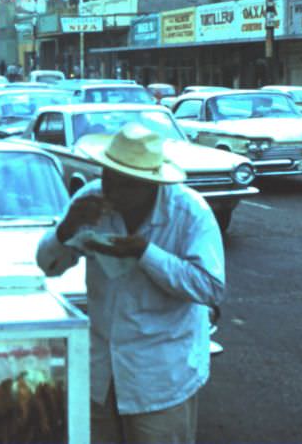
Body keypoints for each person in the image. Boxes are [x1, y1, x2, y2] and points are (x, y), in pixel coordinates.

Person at [36, 123, 225, 444]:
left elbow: (209, 287)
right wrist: (66, 229)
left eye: (122, 184)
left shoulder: (190, 213)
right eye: (107, 176)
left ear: (150, 184)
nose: (109, 190)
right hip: (100, 370)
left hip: (161, 376)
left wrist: (145, 253)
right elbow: (48, 264)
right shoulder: (90, 200)